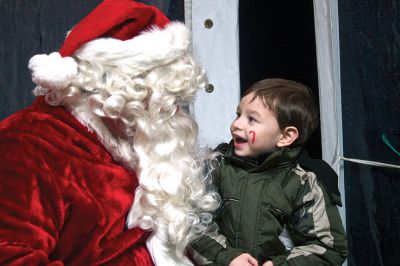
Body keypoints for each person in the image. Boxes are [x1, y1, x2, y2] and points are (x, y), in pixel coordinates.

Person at [0, 0, 219, 265]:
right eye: (164, 98)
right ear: (118, 90)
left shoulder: (133, 146)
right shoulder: (29, 145)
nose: (173, 112)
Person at [189, 78, 348, 265]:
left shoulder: (303, 182)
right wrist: (227, 257)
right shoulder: (217, 166)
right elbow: (194, 224)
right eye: (238, 114)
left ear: (286, 136)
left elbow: (329, 247)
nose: (236, 125)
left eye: (252, 119)